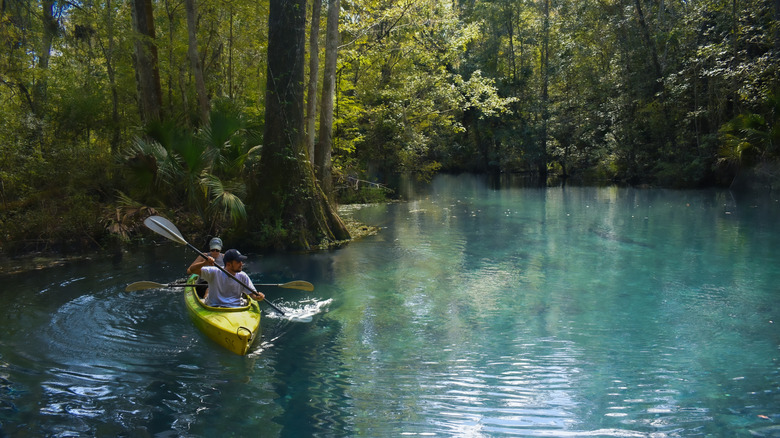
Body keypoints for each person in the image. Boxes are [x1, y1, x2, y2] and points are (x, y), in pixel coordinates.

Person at [192, 248, 265, 307]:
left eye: (241, 261)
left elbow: (252, 294)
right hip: (214, 307)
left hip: (236, 308)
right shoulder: (214, 272)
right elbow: (192, 270)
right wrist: (204, 263)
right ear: (228, 264)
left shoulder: (243, 276)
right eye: (238, 262)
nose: (241, 264)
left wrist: (258, 297)